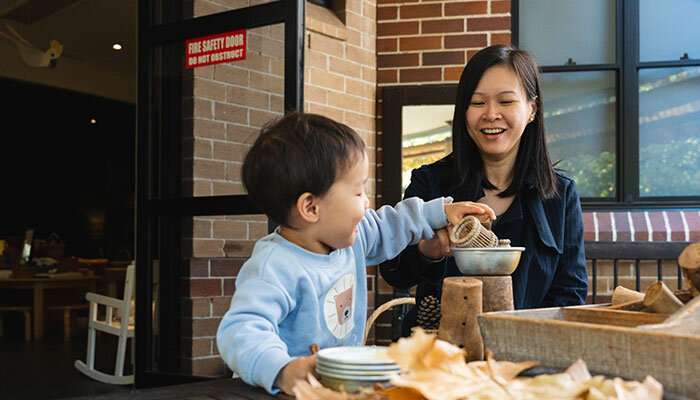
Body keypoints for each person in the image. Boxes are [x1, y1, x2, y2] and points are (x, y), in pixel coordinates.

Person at [216, 112, 495, 395]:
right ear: (311, 208)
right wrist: (283, 370)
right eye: (359, 192)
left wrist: (441, 212)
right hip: (280, 392)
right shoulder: (274, 266)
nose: (367, 202)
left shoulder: (351, 239)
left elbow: (392, 223)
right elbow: (241, 330)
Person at [380, 45, 588, 336]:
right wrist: (429, 251)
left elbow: (571, 292)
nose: (491, 114)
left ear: (532, 109)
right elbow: (394, 272)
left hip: (527, 360)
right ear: (464, 112)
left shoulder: (560, 194)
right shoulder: (431, 181)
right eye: (477, 103)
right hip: (438, 357)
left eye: (506, 101)